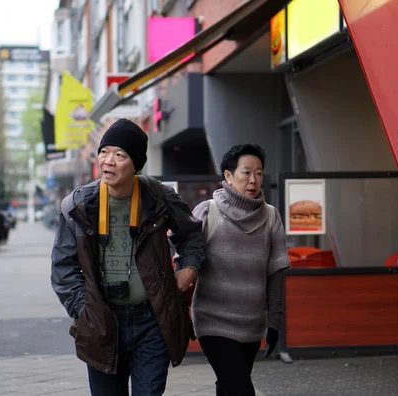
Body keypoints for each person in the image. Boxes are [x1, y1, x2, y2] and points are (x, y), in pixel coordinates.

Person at [51, 118, 205, 396]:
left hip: (151, 320)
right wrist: (85, 311)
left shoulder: (158, 197)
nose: (108, 161)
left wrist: (190, 267)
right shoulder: (78, 205)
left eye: (119, 155)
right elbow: (63, 268)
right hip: (102, 322)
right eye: (104, 152)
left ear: (136, 163)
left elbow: (193, 234)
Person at [191, 143, 291, 396]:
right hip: (212, 321)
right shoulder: (207, 212)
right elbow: (185, 262)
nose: (253, 179)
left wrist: (275, 322)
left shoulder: (270, 216)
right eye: (246, 172)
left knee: (229, 385)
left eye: (259, 173)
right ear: (228, 176)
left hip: (252, 325)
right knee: (241, 389)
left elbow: (276, 273)